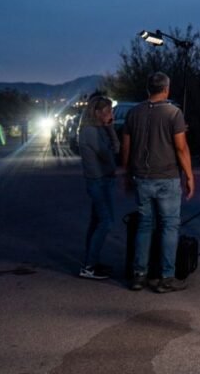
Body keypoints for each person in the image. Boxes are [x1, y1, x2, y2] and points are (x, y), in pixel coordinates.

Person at [121, 72, 195, 293]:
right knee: (169, 226)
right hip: (167, 178)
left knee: (144, 225)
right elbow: (181, 147)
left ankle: (139, 275)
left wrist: (126, 173)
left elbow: (126, 147)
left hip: (142, 177)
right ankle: (166, 277)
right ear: (166, 89)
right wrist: (189, 175)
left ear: (147, 89)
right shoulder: (174, 113)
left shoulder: (133, 113)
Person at [77, 96, 119, 280]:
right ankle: (89, 266)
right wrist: (112, 165)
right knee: (106, 222)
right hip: (98, 181)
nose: (111, 115)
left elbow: (115, 148)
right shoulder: (89, 131)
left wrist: (110, 128)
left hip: (103, 180)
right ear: (96, 112)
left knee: (96, 222)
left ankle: (91, 261)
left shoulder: (99, 129)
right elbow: (107, 154)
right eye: (107, 111)